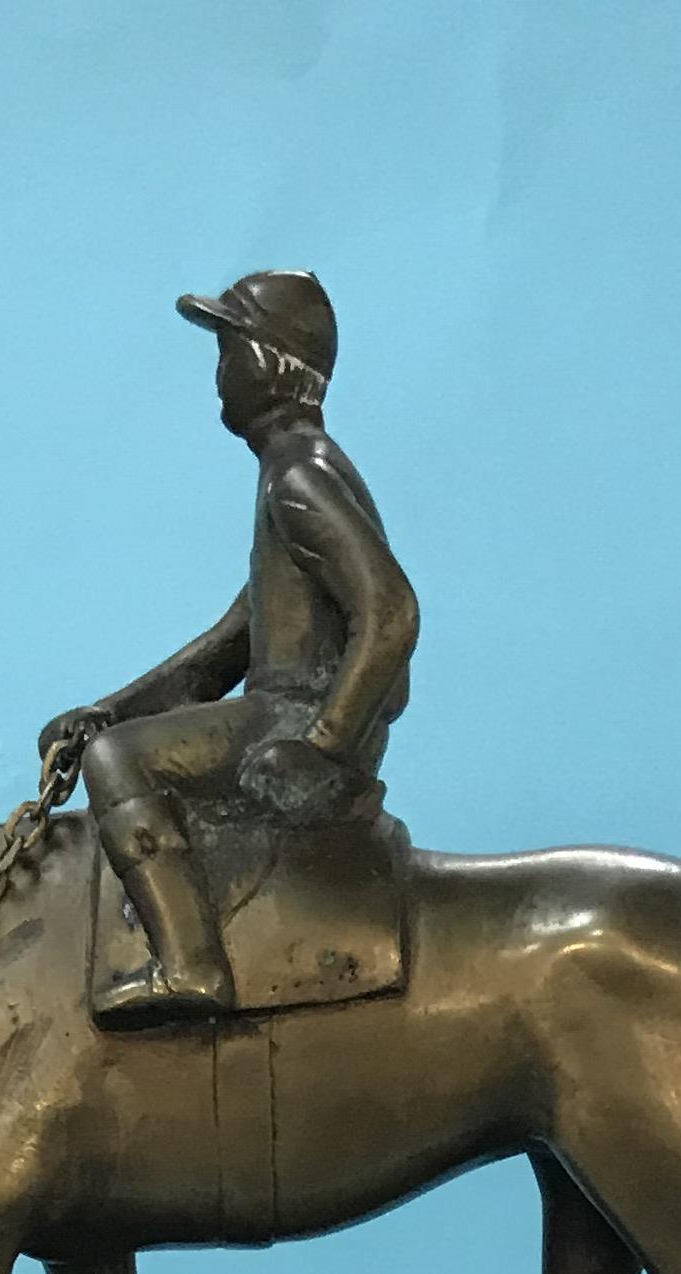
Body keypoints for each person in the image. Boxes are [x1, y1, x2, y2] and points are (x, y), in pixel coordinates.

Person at [44, 270, 420, 1019]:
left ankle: (190, 964)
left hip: (295, 720)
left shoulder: (298, 478)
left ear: (269, 364)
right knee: (114, 739)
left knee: (118, 764)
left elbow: (392, 610)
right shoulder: (294, 470)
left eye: (229, 353)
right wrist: (110, 710)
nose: (220, 377)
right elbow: (232, 641)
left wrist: (324, 742)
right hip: (289, 711)